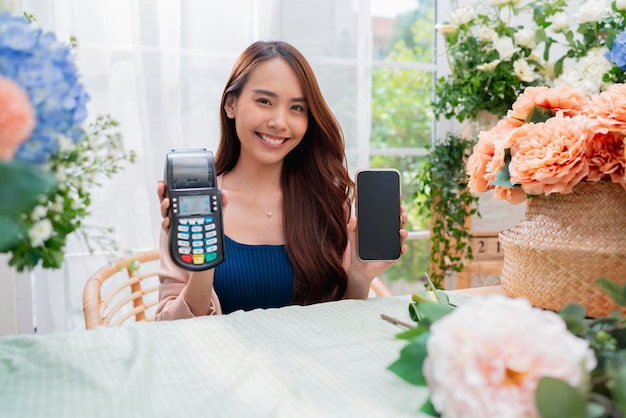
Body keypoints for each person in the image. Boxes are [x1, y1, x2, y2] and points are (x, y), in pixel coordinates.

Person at [155, 40, 408, 320]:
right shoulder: (195, 206)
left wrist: (359, 276)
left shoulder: (328, 203)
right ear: (231, 104)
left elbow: (343, 326)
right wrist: (202, 268)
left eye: (296, 108)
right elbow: (169, 331)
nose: (279, 122)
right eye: (264, 101)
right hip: (219, 363)